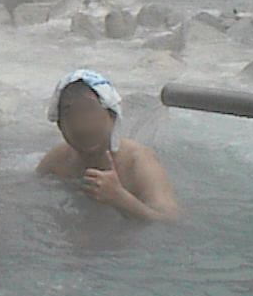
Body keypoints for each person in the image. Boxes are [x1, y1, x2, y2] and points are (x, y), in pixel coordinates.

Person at [36, 69, 180, 223]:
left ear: (113, 116)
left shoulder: (138, 162)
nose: (82, 125)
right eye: (79, 133)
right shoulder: (59, 160)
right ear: (60, 126)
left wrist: (120, 198)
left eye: (90, 112)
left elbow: (170, 221)